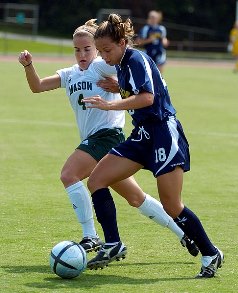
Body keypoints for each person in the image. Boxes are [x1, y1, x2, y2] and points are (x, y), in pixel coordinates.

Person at [18, 20, 198, 257]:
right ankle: (182, 233)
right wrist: (29, 65)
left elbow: (129, 69)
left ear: (97, 49)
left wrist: (120, 86)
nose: (82, 54)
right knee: (136, 198)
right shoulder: (69, 74)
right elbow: (38, 86)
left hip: (107, 136)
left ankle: (90, 236)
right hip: (95, 140)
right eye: (77, 49)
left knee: (68, 175)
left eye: (87, 49)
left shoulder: (102, 66)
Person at [83, 14, 224, 278]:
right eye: (100, 51)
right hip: (143, 134)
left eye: (107, 50)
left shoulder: (134, 59)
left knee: (172, 205)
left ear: (123, 42)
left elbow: (147, 98)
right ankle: (113, 243)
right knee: (97, 179)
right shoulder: (123, 64)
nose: (103, 57)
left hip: (163, 133)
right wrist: (118, 86)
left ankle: (210, 252)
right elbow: (139, 90)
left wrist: (110, 103)